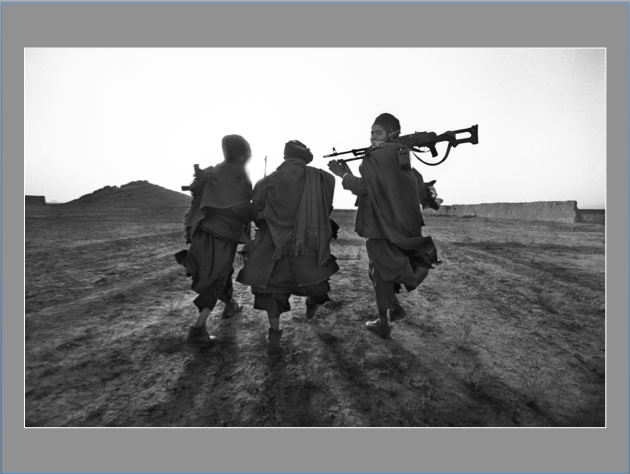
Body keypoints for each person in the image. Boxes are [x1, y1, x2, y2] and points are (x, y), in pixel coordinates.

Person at [327, 113, 442, 339]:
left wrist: (342, 174)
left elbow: (364, 187)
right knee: (378, 270)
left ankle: (383, 323)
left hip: (381, 227)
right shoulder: (401, 155)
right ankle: (394, 308)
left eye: (378, 132)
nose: (372, 137)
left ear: (392, 133)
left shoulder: (377, 156)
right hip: (401, 225)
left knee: (380, 274)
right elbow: (409, 183)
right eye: (371, 132)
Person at [236, 140, 339, 354]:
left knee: (272, 292)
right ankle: (312, 303)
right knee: (316, 284)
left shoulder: (266, 181)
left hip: (272, 247)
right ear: (305, 157)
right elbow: (326, 209)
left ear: (285, 157)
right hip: (307, 247)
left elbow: (255, 215)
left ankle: (273, 335)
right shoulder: (323, 178)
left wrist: (272, 221)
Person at [175, 134, 253, 348]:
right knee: (216, 277)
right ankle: (197, 330)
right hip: (222, 236)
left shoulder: (216, 171)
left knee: (221, 272)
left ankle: (230, 305)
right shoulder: (237, 173)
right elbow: (240, 209)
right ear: (243, 152)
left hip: (201, 232)